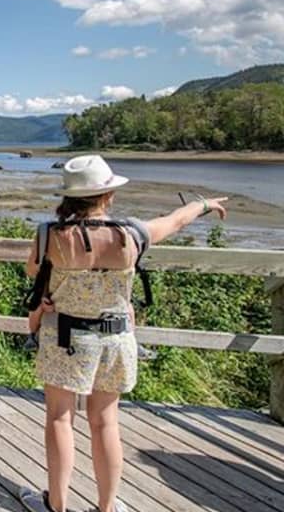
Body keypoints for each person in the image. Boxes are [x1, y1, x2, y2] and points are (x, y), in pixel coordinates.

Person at [19, 154, 227, 512]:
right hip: (115, 339)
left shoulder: (49, 235)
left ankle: (56, 505)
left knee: (60, 418)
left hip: (66, 338)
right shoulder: (131, 235)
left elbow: (32, 272)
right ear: (107, 195)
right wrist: (202, 205)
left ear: (69, 196)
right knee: (105, 423)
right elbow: (175, 221)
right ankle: (106, 506)